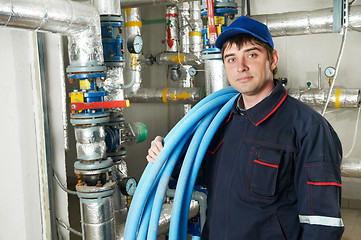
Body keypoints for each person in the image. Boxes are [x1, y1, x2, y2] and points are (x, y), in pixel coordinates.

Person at [146, 16, 344, 239]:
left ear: (273, 59)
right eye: (231, 59)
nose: (241, 67)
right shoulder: (219, 123)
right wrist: (166, 154)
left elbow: (322, 226)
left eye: (252, 54)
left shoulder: (308, 129)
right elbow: (196, 174)